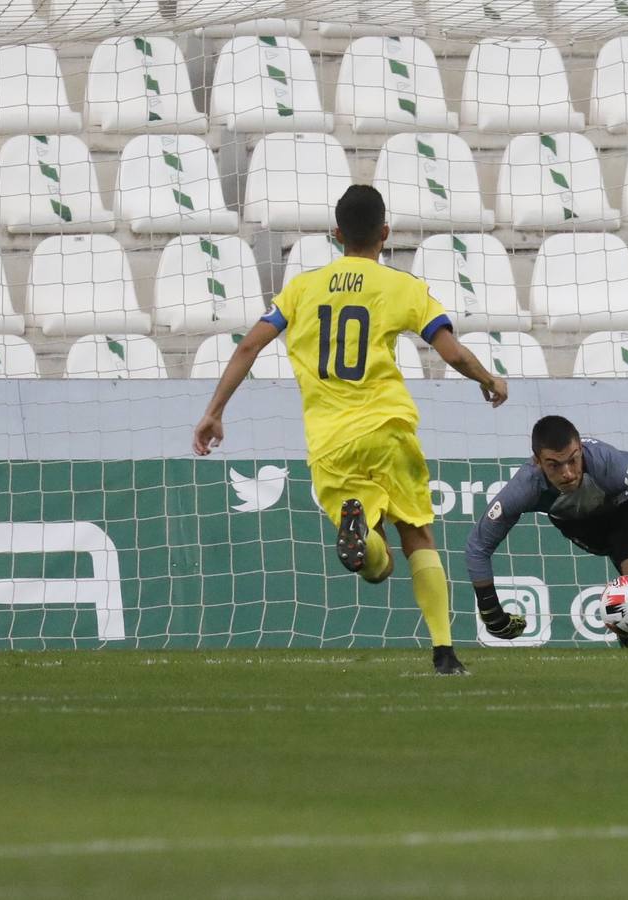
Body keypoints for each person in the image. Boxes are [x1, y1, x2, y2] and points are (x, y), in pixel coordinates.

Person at [192, 185, 509, 674]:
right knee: (418, 535)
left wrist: (215, 411)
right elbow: (451, 353)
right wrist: (488, 380)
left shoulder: (300, 289)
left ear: (337, 234)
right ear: (385, 232)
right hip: (387, 429)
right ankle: (444, 652)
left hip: (329, 443)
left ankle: (362, 532)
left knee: (374, 569)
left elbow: (248, 348)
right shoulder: (404, 287)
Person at [469, 415, 628, 649]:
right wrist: (491, 612)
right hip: (582, 524)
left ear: (580, 449)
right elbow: (478, 546)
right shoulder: (525, 486)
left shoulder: (607, 462)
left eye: (573, 460)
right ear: (537, 462)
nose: (568, 472)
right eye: (554, 465)